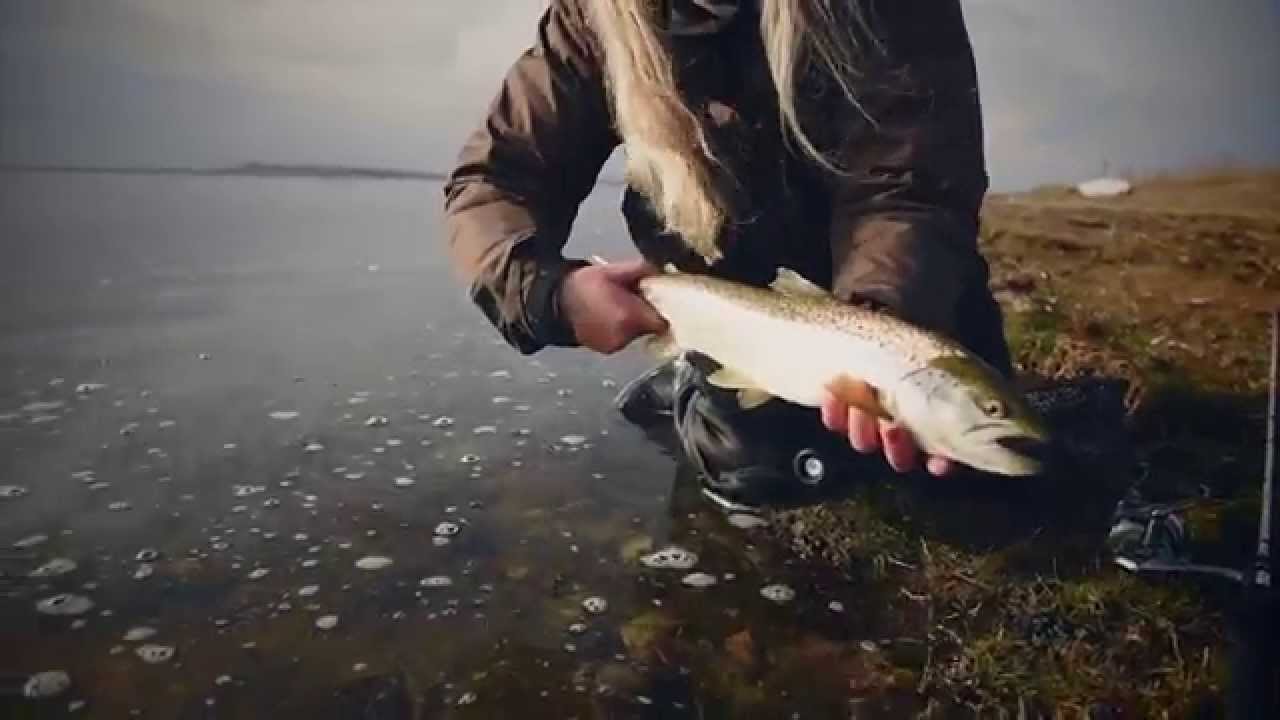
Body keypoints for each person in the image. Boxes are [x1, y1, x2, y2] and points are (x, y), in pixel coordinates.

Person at [443, 0, 1013, 509]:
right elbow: (496, 180)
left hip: (878, 293)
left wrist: (885, 317)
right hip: (727, 297)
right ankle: (699, 369)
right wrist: (555, 297)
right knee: (756, 467)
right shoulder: (588, 19)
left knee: (971, 480)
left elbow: (910, 187)